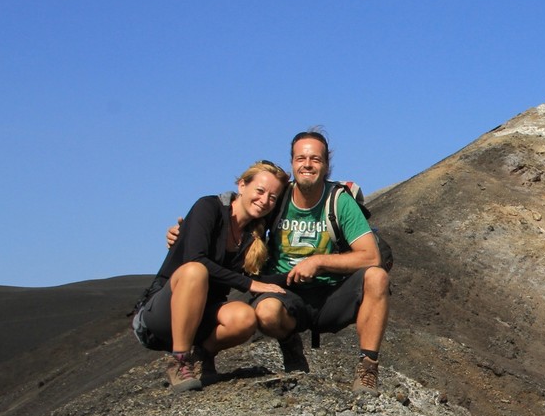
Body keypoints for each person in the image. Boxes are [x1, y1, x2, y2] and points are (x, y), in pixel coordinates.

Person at [251, 129, 391, 392]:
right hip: (285, 293)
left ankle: (368, 368)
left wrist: (318, 262)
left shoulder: (339, 201)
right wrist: (184, 232)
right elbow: (238, 208)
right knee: (265, 313)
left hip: (331, 293)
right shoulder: (277, 197)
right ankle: (290, 342)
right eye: (300, 158)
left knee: (377, 276)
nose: (307, 165)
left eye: (315, 159)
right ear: (292, 163)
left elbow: (371, 256)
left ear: (326, 165)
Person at [133, 160, 291, 392]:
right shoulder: (209, 207)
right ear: (241, 185)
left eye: (272, 197)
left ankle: (202, 357)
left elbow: (258, 278)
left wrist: (306, 273)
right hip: (163, 314)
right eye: (260, 191)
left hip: (204, 314)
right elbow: (195, 259)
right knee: (196, 271)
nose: (264, 200)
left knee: (245, 318)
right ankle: (180, 360)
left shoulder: (253, 236)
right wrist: (250, 283)